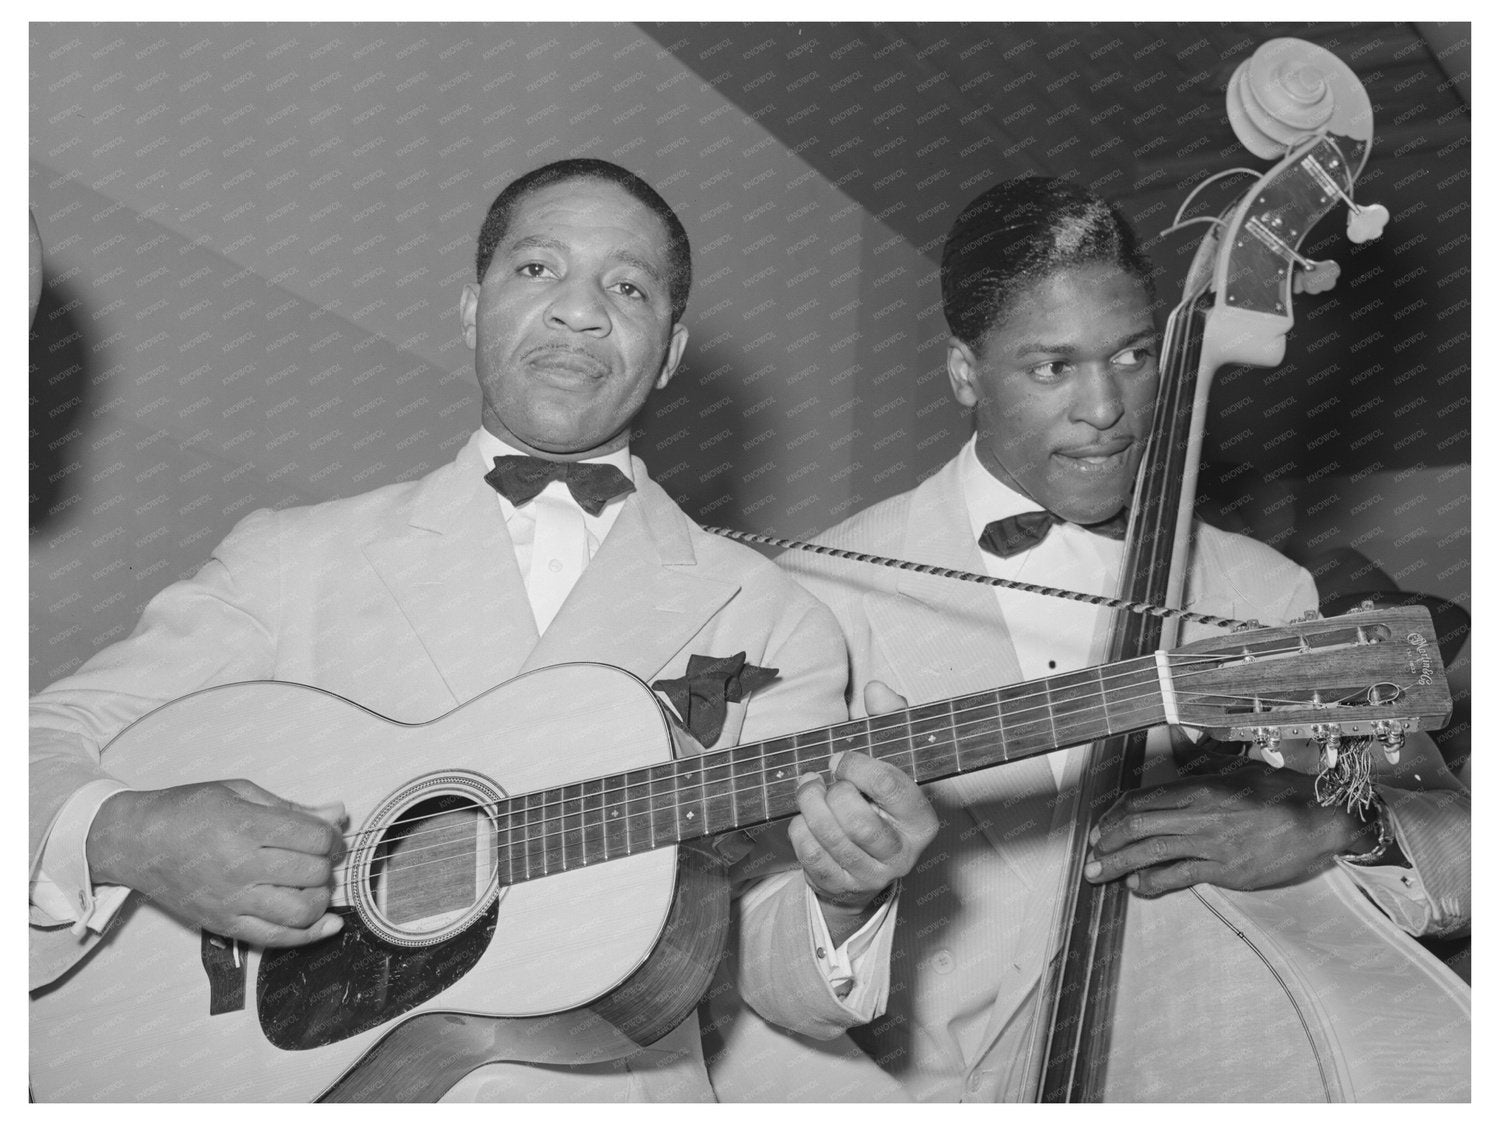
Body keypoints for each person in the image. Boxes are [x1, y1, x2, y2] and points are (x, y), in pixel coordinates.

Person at [28, 158, 933, 1102]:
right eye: (538, 268)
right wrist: (131, 833)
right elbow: (36, 742)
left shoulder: (772, 614)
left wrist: (847, 894)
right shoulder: (295, 557)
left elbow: (765, 965)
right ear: (471, 311)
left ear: (669, 351)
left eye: (628, 287)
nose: (579, 311)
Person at [707, 176, 1470, 1102]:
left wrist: (1328, 828)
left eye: (1134, 356)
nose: (1106, 407)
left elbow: (1458, 852)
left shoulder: (1266, 590)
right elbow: (749, 956)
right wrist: (841, 897)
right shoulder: (818, 593)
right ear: (963, 372)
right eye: (1052, 368)